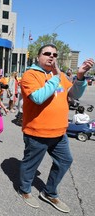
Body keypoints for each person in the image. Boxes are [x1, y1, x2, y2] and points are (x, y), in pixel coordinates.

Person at [18, 44, 94, 213]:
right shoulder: (30, 75)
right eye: (47, 53)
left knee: (65, 161)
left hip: (60, 132)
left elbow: (74, 94)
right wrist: (57, 76)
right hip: (37, 132)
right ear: (38, 57)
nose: (51, 57)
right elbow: (38, 97)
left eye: (54, 54)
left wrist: (80, 76)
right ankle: (24, 190)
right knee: (30, 165)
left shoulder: (58, 75)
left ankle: (49, 192)